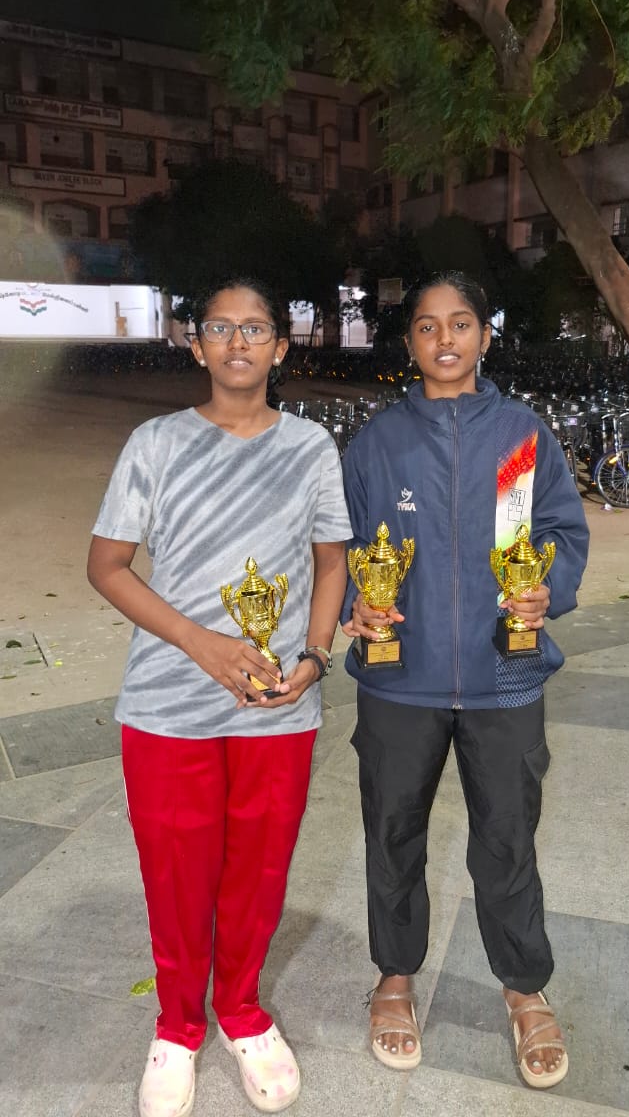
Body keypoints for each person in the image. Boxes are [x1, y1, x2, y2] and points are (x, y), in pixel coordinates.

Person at [87, 276, 351, 1117]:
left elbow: (332, 563)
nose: (239, 342)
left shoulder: (311, 448)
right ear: (195, 345)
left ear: (281, 346)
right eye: (221, 328)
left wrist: (314, 656)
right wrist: (199, 643)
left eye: (256, 328)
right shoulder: (155, 444)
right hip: (168, 705)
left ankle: (240, 1010)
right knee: (177, 875)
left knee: (259, 871)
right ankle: (176, 1027)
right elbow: (106, 567)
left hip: (277, 704)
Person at [341, 271, 589, 1090]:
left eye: (460, 324)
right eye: (426, 326)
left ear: (485, 335)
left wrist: (549, 589)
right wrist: (352, 604)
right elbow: (340, 545)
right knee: (392, 834)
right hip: (399, 679)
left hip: (503, 674)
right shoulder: (379, 442)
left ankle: (524, 986)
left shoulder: (522, 436)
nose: (444, 339)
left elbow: (560, 530)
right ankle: (394, 977)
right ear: (409, 341)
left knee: (507, 839)